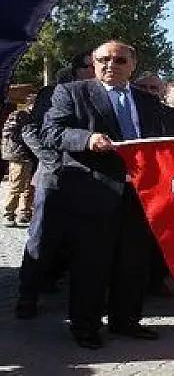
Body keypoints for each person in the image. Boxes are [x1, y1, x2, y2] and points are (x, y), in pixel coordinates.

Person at [41, 40, 168, 349]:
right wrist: (87, 139)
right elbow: (51, 132)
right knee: (91, 263)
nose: (111, 65)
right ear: (94, 63)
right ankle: (85, 326)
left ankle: (126, 321)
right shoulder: (72, 92)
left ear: (132, 65)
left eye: (120, 60)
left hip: (139, 194)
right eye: (103, 60)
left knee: (133, 262)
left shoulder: (147, 100)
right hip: (93, 192)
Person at [15, 50, 95, 320]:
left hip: (92, 181)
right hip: (55, 178)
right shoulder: (53, 93)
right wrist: (53, 162)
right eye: (91, 65)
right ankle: (27, 297)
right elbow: (30, 130)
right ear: (77, 70)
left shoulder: (104, 95)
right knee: (42, 237)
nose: (98, 70)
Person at [1, 105, 35, 227]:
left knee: (30, 185)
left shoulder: (31, 115)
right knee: (17, 185)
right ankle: (9, 213)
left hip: (30, 155)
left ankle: (24, 212)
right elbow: (9, 132)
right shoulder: (20, 115)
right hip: (20, 155)